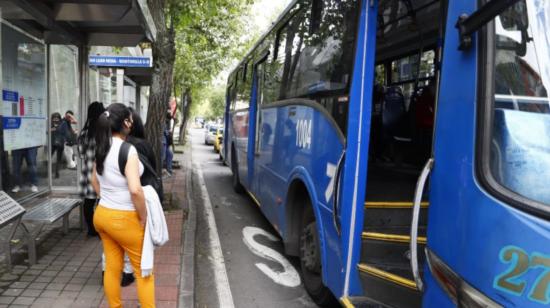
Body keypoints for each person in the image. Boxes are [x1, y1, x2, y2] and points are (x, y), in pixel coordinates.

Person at [92, 103, 155, 307]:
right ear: (126, 123)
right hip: (125, 218)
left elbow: (94, 180)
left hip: (102, 216)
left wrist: (107, 198)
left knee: (112, 267)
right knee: (144, 272)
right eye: (130, 118)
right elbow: (135, 190)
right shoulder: (128, 150)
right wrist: (143, 216)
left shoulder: (101, 146)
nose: (133, 121)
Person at [161, 111, 174, 176]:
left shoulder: (166, 123)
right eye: (168, 119)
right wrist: (168, 132)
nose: (168, 120)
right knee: (162, 157)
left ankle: (169, 170)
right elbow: (163, 132)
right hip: (162, 142)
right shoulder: (162, 122)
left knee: (170, 154)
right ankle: (159, 173)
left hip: (166, 142)